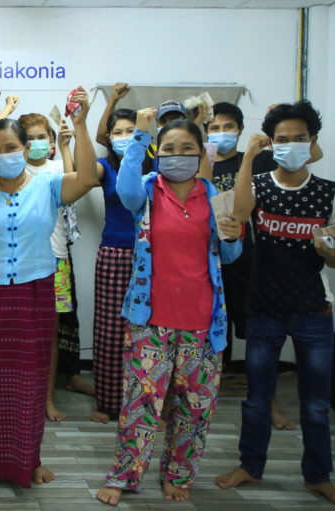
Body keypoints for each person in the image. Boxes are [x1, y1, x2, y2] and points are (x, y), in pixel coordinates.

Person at [0, 90, 97, 488]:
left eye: (11, 147)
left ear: (26, 148)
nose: (3, 154)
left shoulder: (48, 185)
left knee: (29, 381)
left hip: (33, 293)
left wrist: (79, 126)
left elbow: (90, 178)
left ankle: (31, 460)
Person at [95, 111, 243, 506]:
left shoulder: (214, 195)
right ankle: (125, 476)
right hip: (150, 318)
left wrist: (233, 235)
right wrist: (141, 136)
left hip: (203, 319)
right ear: (158, 152)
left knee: (195, 409)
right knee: (140, 405)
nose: (178, 156)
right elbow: (123, 191)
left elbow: (230, 254)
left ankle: (177, 476)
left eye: (188, 149)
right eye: (170, 149)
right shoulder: (145, 190)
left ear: (201, 154)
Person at [216, 101, 335, 510]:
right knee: (257, 397)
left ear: (312, 143)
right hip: (264, 305)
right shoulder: (258, 186)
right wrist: (248, 159)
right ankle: (250, 466)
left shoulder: (330, 191)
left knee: (314, 402)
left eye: (299, 139)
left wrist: (330, 250)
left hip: (313, 308)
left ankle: (318, 476)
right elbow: (239, 214)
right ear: (271, 144)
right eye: (282, 140)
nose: (291, 145)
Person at [206, 102, 296, 430]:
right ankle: (201, 404)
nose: (221, 133)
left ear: (241, 129)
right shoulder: (201, 162)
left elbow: (309, 157)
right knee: (210, 339)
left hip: (247, 259)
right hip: (208, 260)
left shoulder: (256, 159)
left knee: (258, 334)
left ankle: (271, 404)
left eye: (228, 126)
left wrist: (275, 131)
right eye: (214, 127)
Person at [16, 112, 89, 423]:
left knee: (49, 334)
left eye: (40, 137)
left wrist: (65, 145)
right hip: (18, 261)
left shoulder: (59, 167)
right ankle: (19, 397)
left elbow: (78, 182)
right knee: (19, 333)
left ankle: (46, 398)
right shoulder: (11, 171)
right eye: (28, 137)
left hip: (55, 261)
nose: (34, 143)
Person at [85, 103, 152, 424]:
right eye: (118, 132)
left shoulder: (154, 165)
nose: (124, 137)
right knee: (110, 330)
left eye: (131, 130)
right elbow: (84, 174)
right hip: (114, 253)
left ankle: (145, 403)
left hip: (152, 256)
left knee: (146, 331)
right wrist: (80, 122)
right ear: (108, 138)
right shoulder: (104, 166)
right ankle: (108, 402)